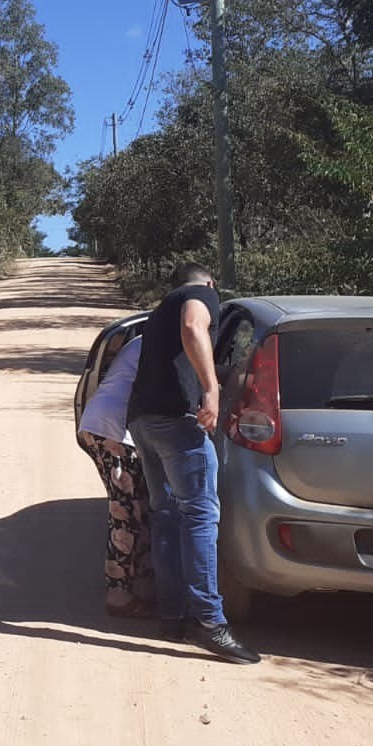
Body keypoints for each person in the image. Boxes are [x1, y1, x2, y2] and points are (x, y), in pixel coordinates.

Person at [127, 262, 261, 664]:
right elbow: (193, 329)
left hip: (143, 421)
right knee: (201, 516)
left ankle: (172, 616)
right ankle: (210, 623)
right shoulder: (199, 295)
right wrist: (212, 390)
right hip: (177, 423)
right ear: (211, 281)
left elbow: (179, 347)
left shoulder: (158, 312)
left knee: (167, 515)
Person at [76, 335, 155, 618]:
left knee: (135, 507)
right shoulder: (164, 342)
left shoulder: (142, 339)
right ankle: (119, 594)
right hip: (115, 430)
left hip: (100, 424)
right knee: (127, 511)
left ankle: (135, 586)